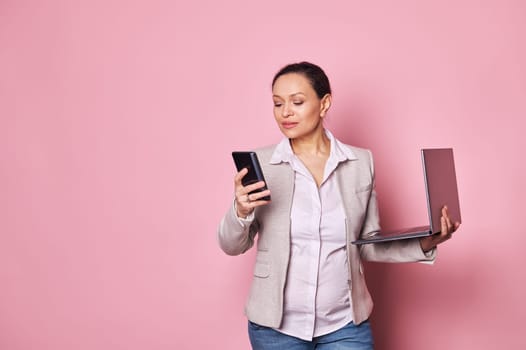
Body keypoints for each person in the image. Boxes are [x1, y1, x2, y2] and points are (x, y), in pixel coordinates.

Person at [217, 62, 460, 350]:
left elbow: (367, 244)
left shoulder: (360, 163)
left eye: (297, 102)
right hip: (276, 329)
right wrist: (240, 211)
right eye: (277, 103)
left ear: (324, 103)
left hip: (344, 326)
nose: (286, 112)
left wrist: (426, 242)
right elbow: (231, 245)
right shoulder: (263, 164)